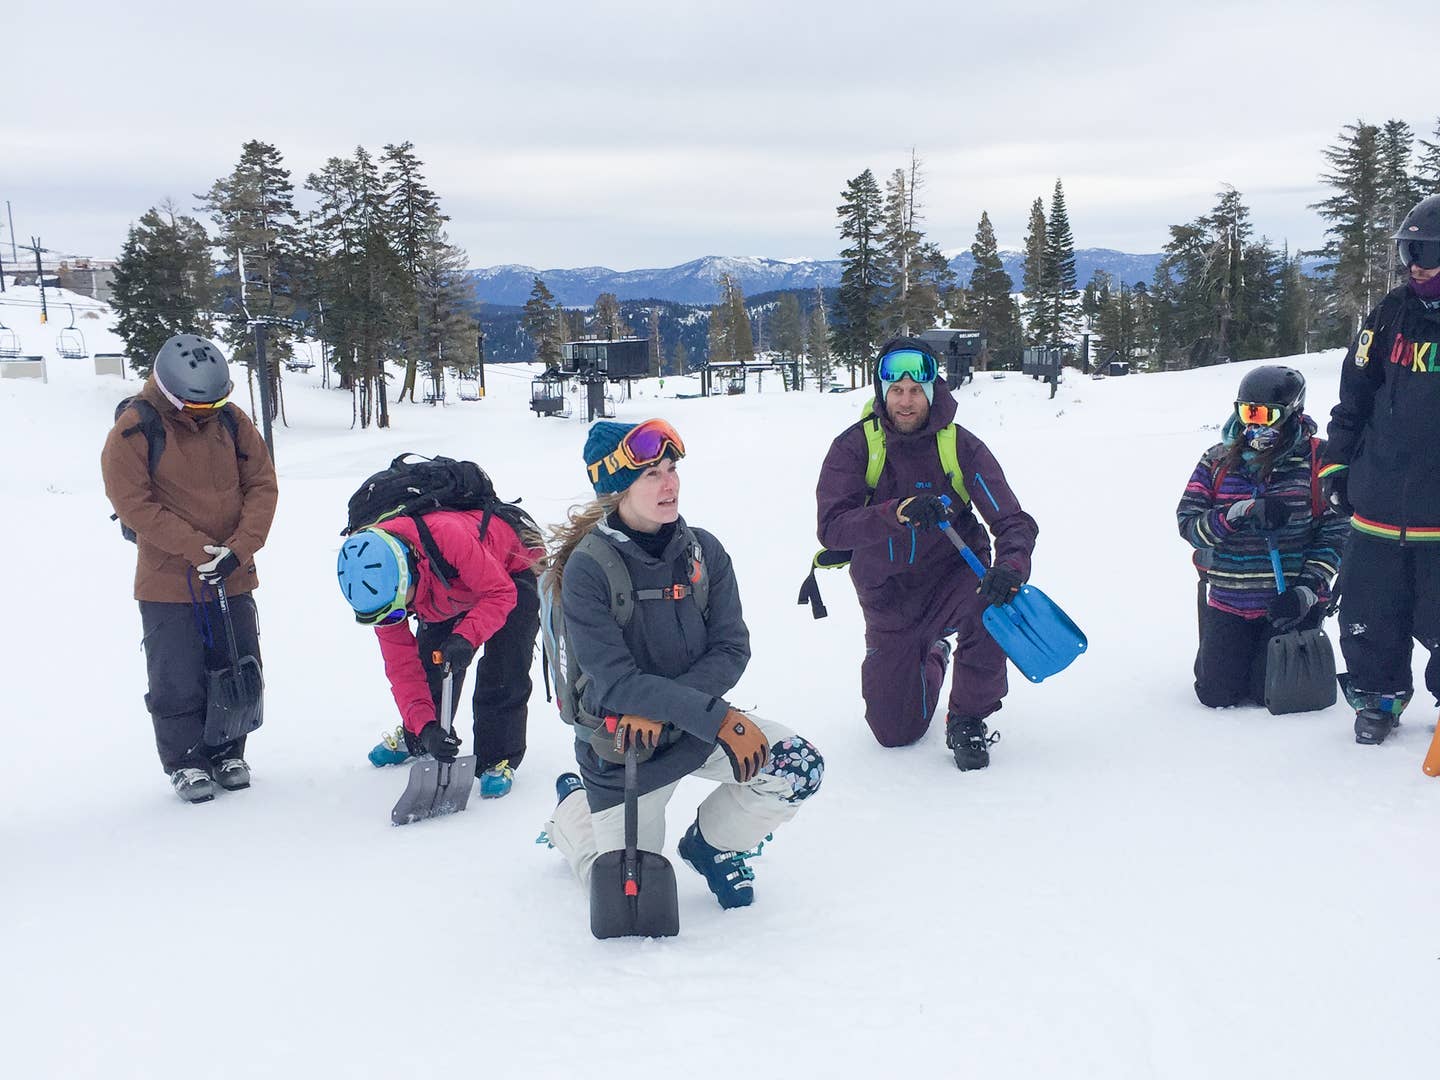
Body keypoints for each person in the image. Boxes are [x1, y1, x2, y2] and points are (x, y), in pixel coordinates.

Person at [541, 419, 823, 909]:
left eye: (671, 469)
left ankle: (713, 846)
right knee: (626, 899)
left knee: (799, 768)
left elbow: (731, 648)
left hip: (693, 730)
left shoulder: (703, 552)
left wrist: (685, 714)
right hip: (625, 749)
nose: (669, 484)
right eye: (651, 474)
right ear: (616, 489)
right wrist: (713, 715)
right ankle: (575, 812)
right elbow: (615, 683)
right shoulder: (587, 569)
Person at [815, 337, 1038, 770]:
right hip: (889, 597)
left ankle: (968, 717)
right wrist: (895, 513)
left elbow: (1013, 521)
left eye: (916, 390)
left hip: (954, 580)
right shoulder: (855, 447)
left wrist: (1011, 567)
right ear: (882, 392)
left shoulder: (960, 446)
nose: (905, 401)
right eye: (897, 390)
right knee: (894, 732)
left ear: (933, 390)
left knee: (990, 606)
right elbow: (832, 529)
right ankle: (934, 652)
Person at [101, 334, 278, 803]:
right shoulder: (134, 429)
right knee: (177, 675)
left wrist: (239, 548)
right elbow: (133, 504)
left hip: (233, 572)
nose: (206, 414)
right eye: (197, 407)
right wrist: (199, 550)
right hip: (168, 581)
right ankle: (185, 761)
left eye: (214, 405)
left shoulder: (232, 421)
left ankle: (228, 750)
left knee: (238, 664)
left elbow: (262, 485)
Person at [1321, 193, 1440, 744]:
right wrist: (1336, 464)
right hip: (1379, 500)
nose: (1415, 264)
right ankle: (1377, 698)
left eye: (1427, 252)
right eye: (1408, 251)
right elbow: (1355, 395)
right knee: (1370, 611)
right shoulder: (1389, 313)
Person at [336, 498, 544, 797]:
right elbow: (402, 669)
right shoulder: (382, 594)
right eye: (390, 616)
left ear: (408, 572)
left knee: (504, 667)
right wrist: (426, 728)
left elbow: (501, 593)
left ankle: (498, 758)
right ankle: (418, 737)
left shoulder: (448, 537)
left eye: (398, 610)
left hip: (509, 571)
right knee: (431, 665)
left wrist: (466, 637)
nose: (397, 619)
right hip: (444, 589)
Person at [1176, 366, 1347, 708]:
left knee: (1268, 693)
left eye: (1265, 415)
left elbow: (1338, 533)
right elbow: (1189, 526)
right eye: (1246, 412)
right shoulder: (1217, 460)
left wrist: (1306, 590)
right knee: (1216, 694)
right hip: (1230, 598)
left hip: (1287, 603)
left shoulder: (1318, 460)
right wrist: (1239, 512)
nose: (1255, 425)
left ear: (1292, 412)